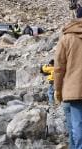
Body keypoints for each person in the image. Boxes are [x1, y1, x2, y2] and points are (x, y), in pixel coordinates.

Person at [54, 8, 82, 149]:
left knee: (76, 127)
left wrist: (57, 91)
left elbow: (59, 69)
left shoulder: (66, 38)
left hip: (72, 90)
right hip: (74, 91)